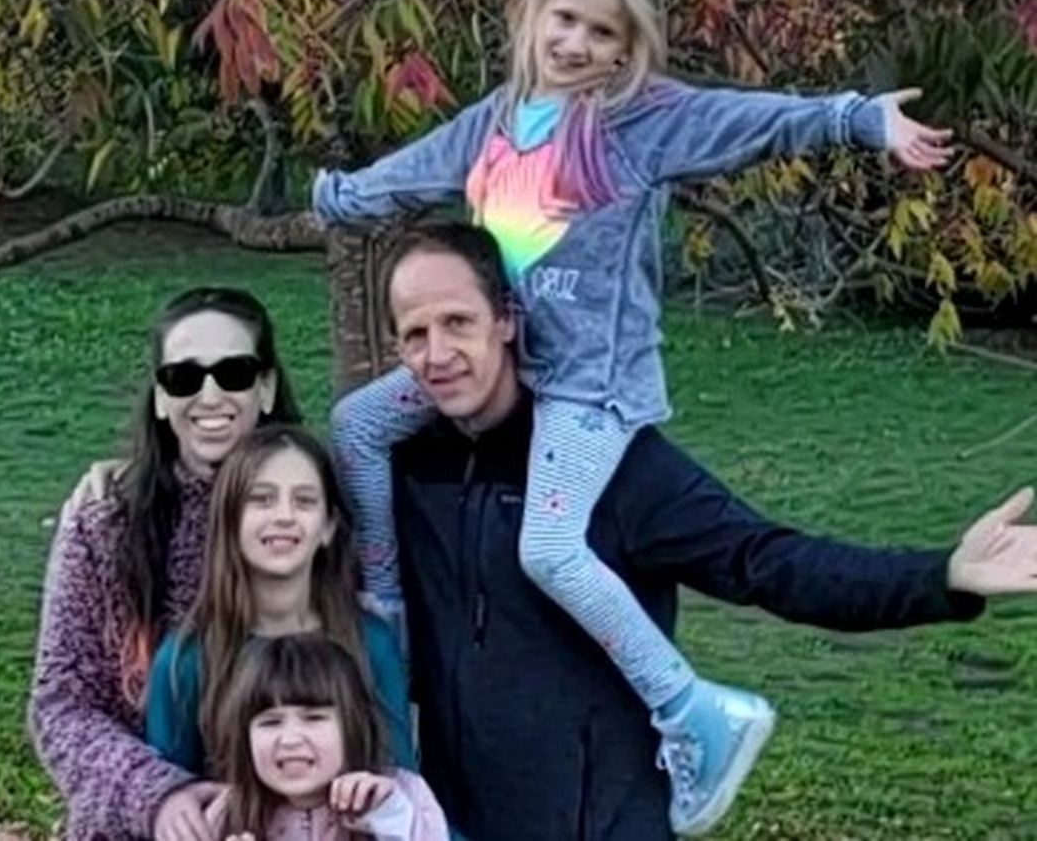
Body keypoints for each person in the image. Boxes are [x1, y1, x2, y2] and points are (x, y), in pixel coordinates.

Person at [312, 0, 952, 833]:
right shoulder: (497, 119)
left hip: (590, 388)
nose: (576, 44)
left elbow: (746, 122)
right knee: (358, 422)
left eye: (602, 32)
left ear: (627, 49)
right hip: (514, 361)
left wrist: (854, 119)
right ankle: (385, 606)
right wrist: (342, 197)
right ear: (532, 15)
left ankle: (694, 710)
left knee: (550, 548)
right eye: (565, 20)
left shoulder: (637, 121)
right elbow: (414, 170)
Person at [379, 221, 1037, 841]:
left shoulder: (607, 461)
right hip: (457, 822)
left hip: (600, 822)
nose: (438, 354)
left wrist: (942, 575)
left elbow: (764, 561)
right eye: (415, 334)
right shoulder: (406, 464)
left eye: (457, 322)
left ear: (505, 320)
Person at [28, 287, 305, 841]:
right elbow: (61, 703)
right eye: (184, 378)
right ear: (160, 397)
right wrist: (156, 795)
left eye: (234, 373)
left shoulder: (315, 516)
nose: (210, 395)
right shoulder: (105, 521)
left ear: (267, 387)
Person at [144, 425, 414, 783]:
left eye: (304, 501)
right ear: (229, 519)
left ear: (328, 527)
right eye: (262, 499)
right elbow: (165, 792)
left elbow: (404, 787)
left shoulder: (370, 644)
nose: (284, 515)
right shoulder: (185, 659)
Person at [204, 634, 448, 840]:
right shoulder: (228, 815)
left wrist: (389, 818)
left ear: (353, 724)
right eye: (271, 722)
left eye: (313, 718)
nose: (290, 739)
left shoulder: (403, 797)